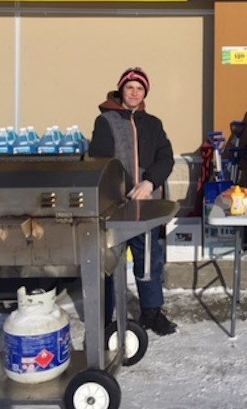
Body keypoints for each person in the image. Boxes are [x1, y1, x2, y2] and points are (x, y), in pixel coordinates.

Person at [89, 67, 177, 336]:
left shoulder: (153, 123)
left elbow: (166, 158)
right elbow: (101, 161)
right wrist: (122, 188)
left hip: (145, 203)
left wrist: (150, 182)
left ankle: (151, 311)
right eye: (130, 88)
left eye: (140, 89)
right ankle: (103, 317)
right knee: (108, 258)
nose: (135, 93)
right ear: (121, 90)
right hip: (114, 204)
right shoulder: (106, 121)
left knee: (149, 257)